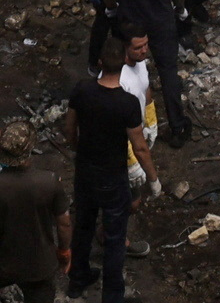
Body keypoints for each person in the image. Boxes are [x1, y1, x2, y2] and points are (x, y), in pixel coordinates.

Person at [66, 36, 152, 303]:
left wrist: (78, 149)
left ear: (100, 62)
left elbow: (69, 129)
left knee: (83, 226)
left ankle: (76, 280)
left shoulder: (82, 90)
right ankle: (112, 295)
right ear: (123, 63)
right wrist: (153, 177)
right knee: (115, 237)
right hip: (113, 176)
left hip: (85, 171)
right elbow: (139, 147)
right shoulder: (126, 103)